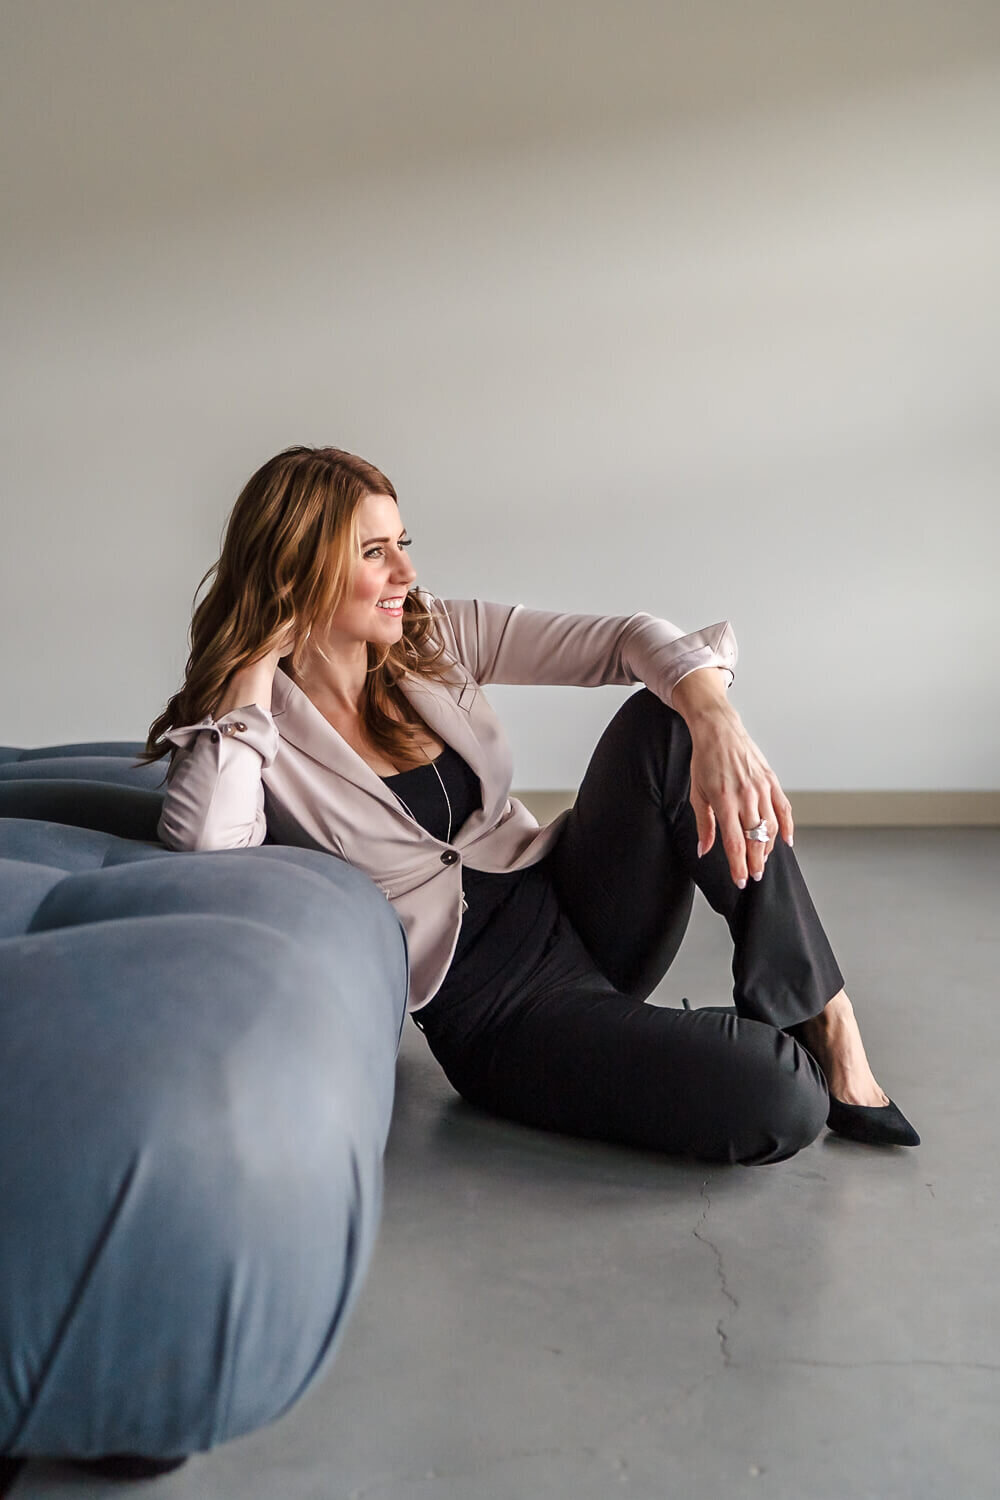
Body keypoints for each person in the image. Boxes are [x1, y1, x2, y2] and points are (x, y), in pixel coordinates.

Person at [146, 444, 919, 1164]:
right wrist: (253, 666)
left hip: (581, 905)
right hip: (500, 1012)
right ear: (295, 571)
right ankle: (709, 1048)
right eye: (374, 553)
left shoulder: (431, 637)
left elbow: (628, 638)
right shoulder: (250, 728)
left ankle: (826, 1017)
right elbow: (207, 847)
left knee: (670, 725)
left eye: (402, 543)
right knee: (782, 1097)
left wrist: (717, 719)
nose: (406, 571)